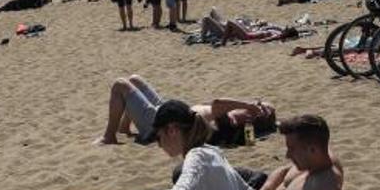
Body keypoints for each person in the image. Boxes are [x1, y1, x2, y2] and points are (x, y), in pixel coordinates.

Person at [97, 100, 258, 190]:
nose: (159, 145)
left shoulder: (197, 156)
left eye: (159, 138)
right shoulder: (214, 152)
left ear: (172, 130)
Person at [97, 76, 276, 147]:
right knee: (134, 79)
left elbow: (217, 103)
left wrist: (249, 108)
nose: (256, 103)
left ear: (257, 116)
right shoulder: (236, 118)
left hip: (160, 122)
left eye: (261, 106)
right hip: (168, 110)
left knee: (120, 85)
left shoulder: (233, 123)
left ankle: (109, 136)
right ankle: (124, 129)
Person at [257, 115, 345, 190]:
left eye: (292, 149)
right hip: (262, 188)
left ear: (313, 150)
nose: (287, 155)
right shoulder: (309, 163)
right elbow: (283, 171)